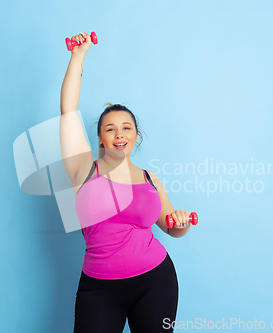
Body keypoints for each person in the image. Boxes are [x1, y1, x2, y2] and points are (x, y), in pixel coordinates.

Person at [60, 32, 194, 333]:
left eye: (126, 128)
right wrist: (77, 58)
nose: (119, 134)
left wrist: (182, 221)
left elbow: (172, 228)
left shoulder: (150, 179)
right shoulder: (83, 169)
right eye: (110, 128)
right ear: (100, 137)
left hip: (156, 281)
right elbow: (68, 112)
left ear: (135, 136)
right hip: (100, 288)